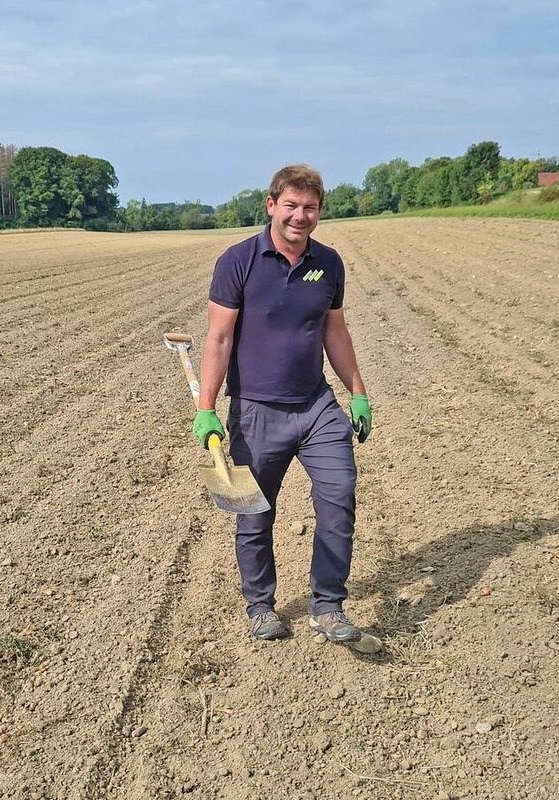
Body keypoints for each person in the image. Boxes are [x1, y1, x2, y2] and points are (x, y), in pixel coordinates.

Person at [192, 164, 372, 643]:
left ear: (320, 211)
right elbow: (219, 337)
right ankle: (260, 606)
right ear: (271, 205)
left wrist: (357, 392)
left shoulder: (329, 263)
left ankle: (328, 605)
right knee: (253, 513)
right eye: (290, 205)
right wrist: (206, 408)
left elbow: (335, 331)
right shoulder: (238, 261)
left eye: (310, 207)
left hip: (316, 406)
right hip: (255, 411)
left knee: (339, 496)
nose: (299, 215)